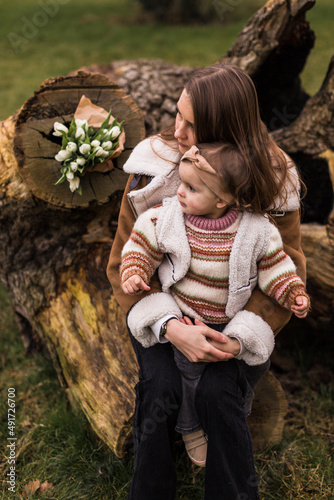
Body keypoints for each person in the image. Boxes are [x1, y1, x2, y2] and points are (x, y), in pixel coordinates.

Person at [107, 63, 307, 500]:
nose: (178, 129)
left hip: (229, 325)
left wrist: (235, 341)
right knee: (158, 386)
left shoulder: (273, 181)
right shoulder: (151, 168)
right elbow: (121, 261)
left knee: (220, 392)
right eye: (177, 114)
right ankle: (151, 490)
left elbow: (284, 269)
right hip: (159, 312)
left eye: (192, 123)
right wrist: (171, 327)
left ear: (225, 131)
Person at [119, 142, 310, 468]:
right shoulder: (166, 218)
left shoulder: (256, 229)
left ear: (222, 200)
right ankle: (191, 426)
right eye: (182, 183)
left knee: (256, 364)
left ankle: (239, 407)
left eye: (191, 188)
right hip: (188, 317)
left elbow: (275, 267)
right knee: (190, 372)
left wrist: (293, 292)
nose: (180, 192)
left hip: (229, 321)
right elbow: (141, 245)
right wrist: (135, 271)